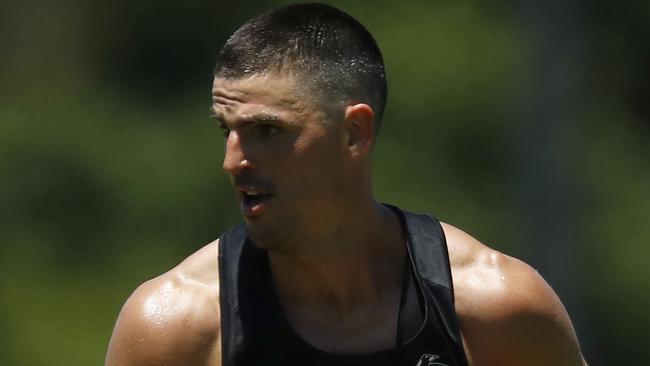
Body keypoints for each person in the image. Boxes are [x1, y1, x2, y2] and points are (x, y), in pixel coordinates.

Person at [105, 3, 587, 366]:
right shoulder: (175, 327)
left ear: (355, 132)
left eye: (267, 130)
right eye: (226, 130)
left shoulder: (494, 309)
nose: (233, 162)